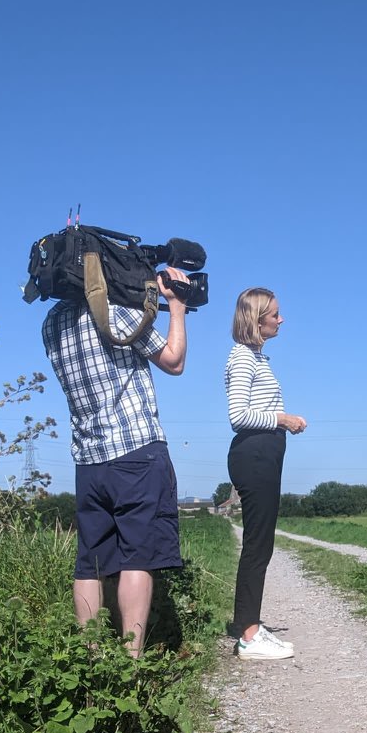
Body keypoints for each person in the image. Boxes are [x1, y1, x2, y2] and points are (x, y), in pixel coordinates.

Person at [42, 267, 190, 657]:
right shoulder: (115, 309)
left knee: (90, 563)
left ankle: (90, 658)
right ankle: (131, 660)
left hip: (89, 461)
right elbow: (173, 361)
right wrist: (176, 306)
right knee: (137, 557)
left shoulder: (52, 321)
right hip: (135, 449)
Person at [225, 287, 307, 661]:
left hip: (265, 453)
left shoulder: (258, 358)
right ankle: (247, 635)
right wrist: (282, 419)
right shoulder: (243, 358)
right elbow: (238, 416)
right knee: (257, 545)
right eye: (275, 314)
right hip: (254, 454)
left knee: (264, 543)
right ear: (257, 319)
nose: (281, 319)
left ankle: (252, 626)